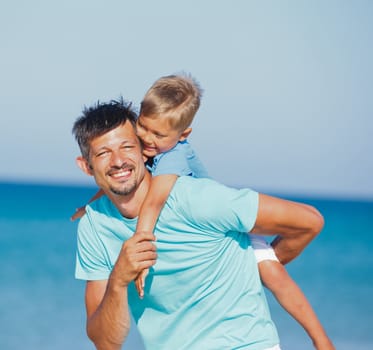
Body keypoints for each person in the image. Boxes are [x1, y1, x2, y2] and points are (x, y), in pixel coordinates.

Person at [72, 75, 334, 349]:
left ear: (141, 152)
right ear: (86, 166)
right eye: (103, 153)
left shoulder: (196, 198)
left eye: (127, 146)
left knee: (272, 272)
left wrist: (257, 263)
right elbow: (105, 343)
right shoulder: (94, 225)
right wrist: (118, 280)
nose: (118, 160)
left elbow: (309, 222)